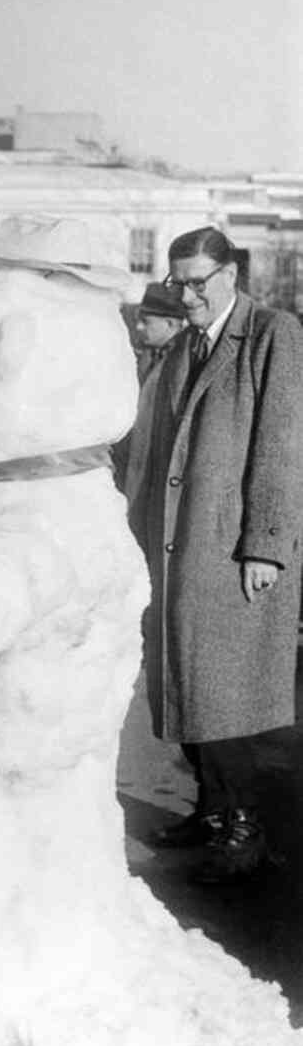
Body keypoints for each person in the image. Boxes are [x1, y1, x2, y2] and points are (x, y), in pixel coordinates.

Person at [130, 226, 303, 883]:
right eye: (178, 283)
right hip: (181, 547)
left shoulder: (272, 335)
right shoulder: (183, 349)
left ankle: (245, 826)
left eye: (197, 281)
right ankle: (210, 810)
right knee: (188, 685)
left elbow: (282, 449)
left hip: (234, 551)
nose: (186, 295)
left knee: (226, 695)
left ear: (231, 273)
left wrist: (265, 546)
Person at [111, 282, 186, 507]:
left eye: (146, 321)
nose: (140, 327)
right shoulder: (143, 356)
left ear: (171, 323)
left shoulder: (184, 362)